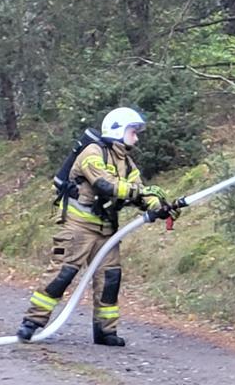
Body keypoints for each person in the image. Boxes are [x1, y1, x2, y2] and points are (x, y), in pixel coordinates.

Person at [17, 107, 176, 346]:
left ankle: (105, 331)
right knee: (62, 274)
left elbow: (139, 192)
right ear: (118, 129)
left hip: (106, 231)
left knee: (110, 279)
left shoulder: (128, 163)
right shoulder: (92, 153)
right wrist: (142, 192)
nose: (137, 137)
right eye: (133, 131)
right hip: (78, 229)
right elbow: (105, 184)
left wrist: (157, 205)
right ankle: (31, 323)